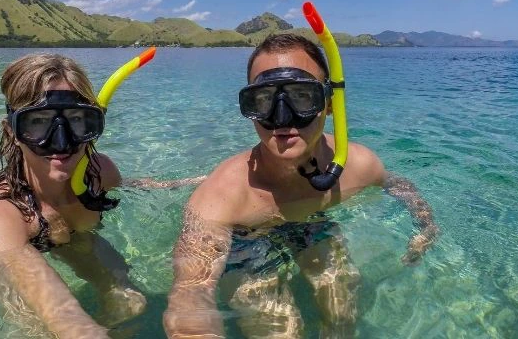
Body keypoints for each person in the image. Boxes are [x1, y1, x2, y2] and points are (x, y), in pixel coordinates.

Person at [164, 33, 439, 338]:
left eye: (302, 97)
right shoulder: (221, 197)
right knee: (281, 329)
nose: (283, 119)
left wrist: (425, 227)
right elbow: (190, 293)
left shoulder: (360, 166)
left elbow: (397, 184)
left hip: (312, 225)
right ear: (250, 108)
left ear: (329, 104)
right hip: (246, 241)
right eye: (265, 100)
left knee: (342, 308)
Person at [0, 53, 201, 339]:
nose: (61, 141)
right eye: (38, 122)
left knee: (130, 303)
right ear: (14, 131)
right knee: (36, 329)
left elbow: (132, 184)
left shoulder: (98, 172)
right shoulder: (0, 217)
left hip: (76, 237)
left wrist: (185, 183)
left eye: (77, 120)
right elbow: (62, 316)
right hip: (15, 251)